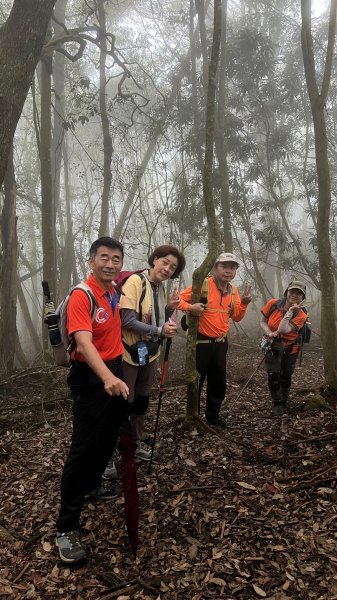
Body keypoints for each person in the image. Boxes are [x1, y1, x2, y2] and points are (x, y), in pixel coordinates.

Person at [55, 237, 129, 564]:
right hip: (91, 375)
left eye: (116, 258)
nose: (111, 264)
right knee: (82, 448)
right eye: (104, 257)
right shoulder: (81, 296)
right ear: (91, 260)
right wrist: (108, 377)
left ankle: (93, 485)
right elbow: (84, 344)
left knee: (108, 438)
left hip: (113, 371)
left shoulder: (114, 291)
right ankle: (66, 527)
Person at [117, 245, 185, 462]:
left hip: (150, 353)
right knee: (123, 403)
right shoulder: (136, 282)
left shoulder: (160, 287)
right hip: (129, 353)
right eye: (165, 262)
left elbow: (155, 318)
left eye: (172, 267)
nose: (167, 269)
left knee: (142, 401)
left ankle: (135, 444)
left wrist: (170, 309)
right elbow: (126, 320)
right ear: (155, 259)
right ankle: (113, 451)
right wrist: (159, 331)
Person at [178, 252, 251, 426]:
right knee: (197, 380)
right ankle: (193, 415)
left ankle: (213, 417)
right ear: (215, 267)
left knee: (218, 382)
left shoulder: (233, 290)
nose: (228, 271)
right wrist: (191, 307)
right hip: (200, 343)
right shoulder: (203, 284)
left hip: (220, 344)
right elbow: (177, 300)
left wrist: (245, 303)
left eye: (232, 267)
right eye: (224, 266)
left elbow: (237, 317)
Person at [260, 280, 307, 416]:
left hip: (290, 348)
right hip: (271, 345)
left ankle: (284, 400)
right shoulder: (273, 303)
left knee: (286, 376)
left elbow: (283, 329)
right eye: (292, 291)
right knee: (273, 375)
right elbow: (263, 321)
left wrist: (291, 311)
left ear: (302, 298)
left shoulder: (301, 315)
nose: (294, 295)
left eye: (299, 293)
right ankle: (277, 402)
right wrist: (269, 332)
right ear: (287, 292)